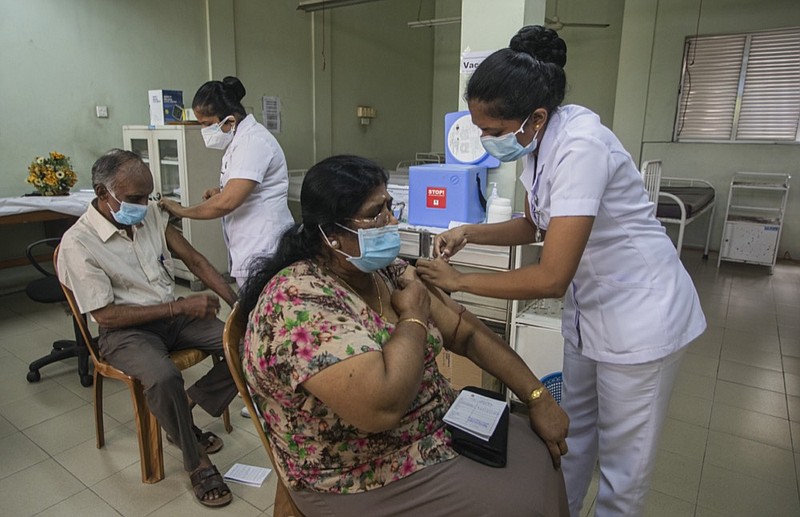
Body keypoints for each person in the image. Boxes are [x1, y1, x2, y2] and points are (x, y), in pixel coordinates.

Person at [415, 26, 706, 517]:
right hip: (591, 315)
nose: (486, 140)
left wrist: (460, 281)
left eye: (492, 130)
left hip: (641, 318)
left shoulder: (581, 146)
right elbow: (533, 223)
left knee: (623, 474)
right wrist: (470, 231)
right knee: (570, 436)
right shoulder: (536, 145)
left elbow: (551, 276)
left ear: (536, 116)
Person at [238, 155, 570, 516]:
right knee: (523, 504)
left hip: (430, 426)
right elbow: (383, 407)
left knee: (538, 455)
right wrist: (413, 315)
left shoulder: (382, 270)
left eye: (389, 207)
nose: (391, 221)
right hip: (359, 472)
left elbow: (465, 331)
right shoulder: (297, 304)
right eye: (375, 212)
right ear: (330, 235)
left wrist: (537, 397)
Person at [58, 149, 239, 508]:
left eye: (149, 195)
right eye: (134, 199)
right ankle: (196, 460)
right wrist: (180, 305)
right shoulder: (78, 244)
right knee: (163, 376)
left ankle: (183, 410)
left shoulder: (151, 215)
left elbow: (195, 260)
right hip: (126, 332)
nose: (144, 205)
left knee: (244, 345)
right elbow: (106, 317)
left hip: (175, 318)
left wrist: (238, 304)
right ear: (102, 193)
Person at [159, 76, 294, 288]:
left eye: (207, 124)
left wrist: (181, 211)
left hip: (264, 244)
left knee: (264, 307)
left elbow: (228, 202)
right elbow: (240, 188)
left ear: (230, 120)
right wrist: (220, 191)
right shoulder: (239, 141)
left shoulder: (253, 142)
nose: (204, 131)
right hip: (249, 241)